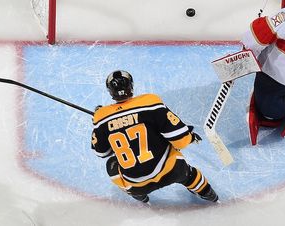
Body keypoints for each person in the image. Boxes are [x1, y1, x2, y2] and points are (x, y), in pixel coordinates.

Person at [91, 70, 219, 204]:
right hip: (170, 171)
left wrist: (101, 122)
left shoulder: (101, 116)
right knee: (189, 174)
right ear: (131, 86)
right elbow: (180, 140)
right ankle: (210, 195)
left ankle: (139, 196)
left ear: (110, 92)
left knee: (111, 164)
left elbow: (102, 152)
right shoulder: (150, 102)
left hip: (137, 185)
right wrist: (191, 137)